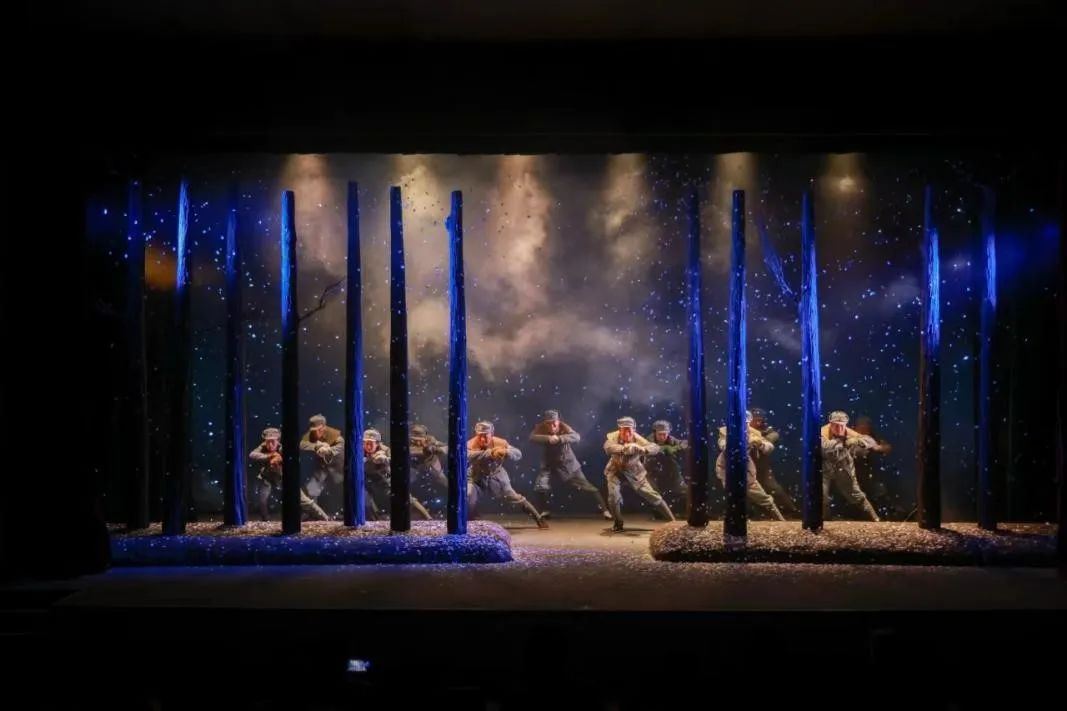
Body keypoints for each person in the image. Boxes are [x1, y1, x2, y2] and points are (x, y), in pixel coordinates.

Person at [529, 409, 612, 520]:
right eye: (549, 423)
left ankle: (605, 510)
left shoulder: (564, 427)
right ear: (545, 423)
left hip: (568, 465)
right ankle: (544, 511)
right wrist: (548, 438)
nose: (552, 425)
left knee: (587, 487)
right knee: (541, 485)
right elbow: (532, 437)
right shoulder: (541, 427)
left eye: (554, 422)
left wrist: (560, 438)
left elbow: (576, 437)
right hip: (549, 464)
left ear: (558, 421)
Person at [467, 421, 548, 529]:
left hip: (497, 476)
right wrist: (491, 453)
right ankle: (470, 522)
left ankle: (538, 518)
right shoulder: (470, 444)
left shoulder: (500, 443)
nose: (482, 439)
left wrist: (506, 452)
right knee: (468, 496)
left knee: (515, 497)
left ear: (492, 434)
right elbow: (468, 456)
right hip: (476, 477)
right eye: (479, 435)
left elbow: (518, 454)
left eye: (485, 435)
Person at [603, 416, 675, 532]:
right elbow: (608, 448)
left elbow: (654, 448)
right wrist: (624, 448)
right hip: (615, 470)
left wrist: (643, 449)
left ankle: (673, 522)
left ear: (634, 430)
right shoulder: (613, 437)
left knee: (652, 495)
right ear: (619, 430)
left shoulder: (638, 439)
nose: (627, 433)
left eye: (629, 430)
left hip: (635, 472)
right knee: (613, 496)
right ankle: (618, 523)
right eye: (624, 430)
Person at [715, 411, 786, 520]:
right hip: (727, 467)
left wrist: (761, 444)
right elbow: (724, 445)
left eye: (746, 423)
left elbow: (769, 448)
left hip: (745, 469)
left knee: (763, 498)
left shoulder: (753, 433)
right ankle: (738, 520)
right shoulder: (726, 431)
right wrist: (739, 442)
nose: (743, 425)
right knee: (734, 496)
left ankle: (780, 520)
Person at [247, 427, 328, 521]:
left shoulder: (282, 449)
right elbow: (252, 455)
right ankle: (265, 519)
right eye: (267, 441)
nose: (270, 444)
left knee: (303, 500)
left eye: (272, 441)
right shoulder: (263, 446)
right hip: (267, 477)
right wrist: (269, 456)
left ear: (278, 441)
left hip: (284, 478)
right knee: (262, 499)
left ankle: (324, 517)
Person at [821, 411, 880, 521]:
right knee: (821, 493)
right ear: (830, 424)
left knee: (855, 494)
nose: (839, 428)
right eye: (836, 425)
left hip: (843, 464)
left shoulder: (847, 432)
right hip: (824, 465)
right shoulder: (823, 432)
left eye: (842, 426)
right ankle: (825, 519)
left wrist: (858, 441)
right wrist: (842, 442)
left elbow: (870, 441)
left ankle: (874, 518)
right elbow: (825, 447)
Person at [362, 428, 432, 521]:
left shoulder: (385, 450)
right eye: (366, 443)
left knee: (404, 496)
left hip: (384, 479)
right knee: (365, 499)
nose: (368, 446)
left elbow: (396, 461)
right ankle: (375, 521)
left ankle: (427, 517)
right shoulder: (359, 451)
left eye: (371, 443)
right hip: (366, 480)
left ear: (377, 443)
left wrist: (385, 460)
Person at [749, 408, 801, 518]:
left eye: (760, 420)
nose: (758, 423)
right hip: (746, 468)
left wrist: (756, 439)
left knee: (775, 490)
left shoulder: (769, 432)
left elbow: (769, 440)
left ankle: (791, 511)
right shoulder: (744, 431)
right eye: (755, 420)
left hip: (762, 468)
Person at [851, 415, 898, 519]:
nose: (864, 427)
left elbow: (887, 448)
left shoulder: (874, 438)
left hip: (872, 474)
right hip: (855, 474)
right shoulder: (851, 438)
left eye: (866, 425)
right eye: (861, 425)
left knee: (878, 494)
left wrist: (878, 448)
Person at [299, 414, 344, 513]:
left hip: (338, 468)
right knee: (311, 489)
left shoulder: (335, 435)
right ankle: (313, 513)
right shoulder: (311, 435)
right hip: (322, 468)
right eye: (314, 430)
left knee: (342, 490)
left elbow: (341, 445)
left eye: (319, 429)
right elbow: (302, 444)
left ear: (324, 427)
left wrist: (329, 450)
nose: (316, 433)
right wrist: (317, 446)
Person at [643, 420, 688, 518]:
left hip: (670, 471)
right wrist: (665, 448)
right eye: (660, 434)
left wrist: (675, 448)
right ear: (655, 433)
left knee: (685, 491)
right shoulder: (648, 441)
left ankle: (690, 512)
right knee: (654, 494)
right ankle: (659, 514)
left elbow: (685, 443)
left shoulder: (671, 440)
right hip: (652, 472)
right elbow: (652, 449)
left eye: (665, 434)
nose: (662, 437)